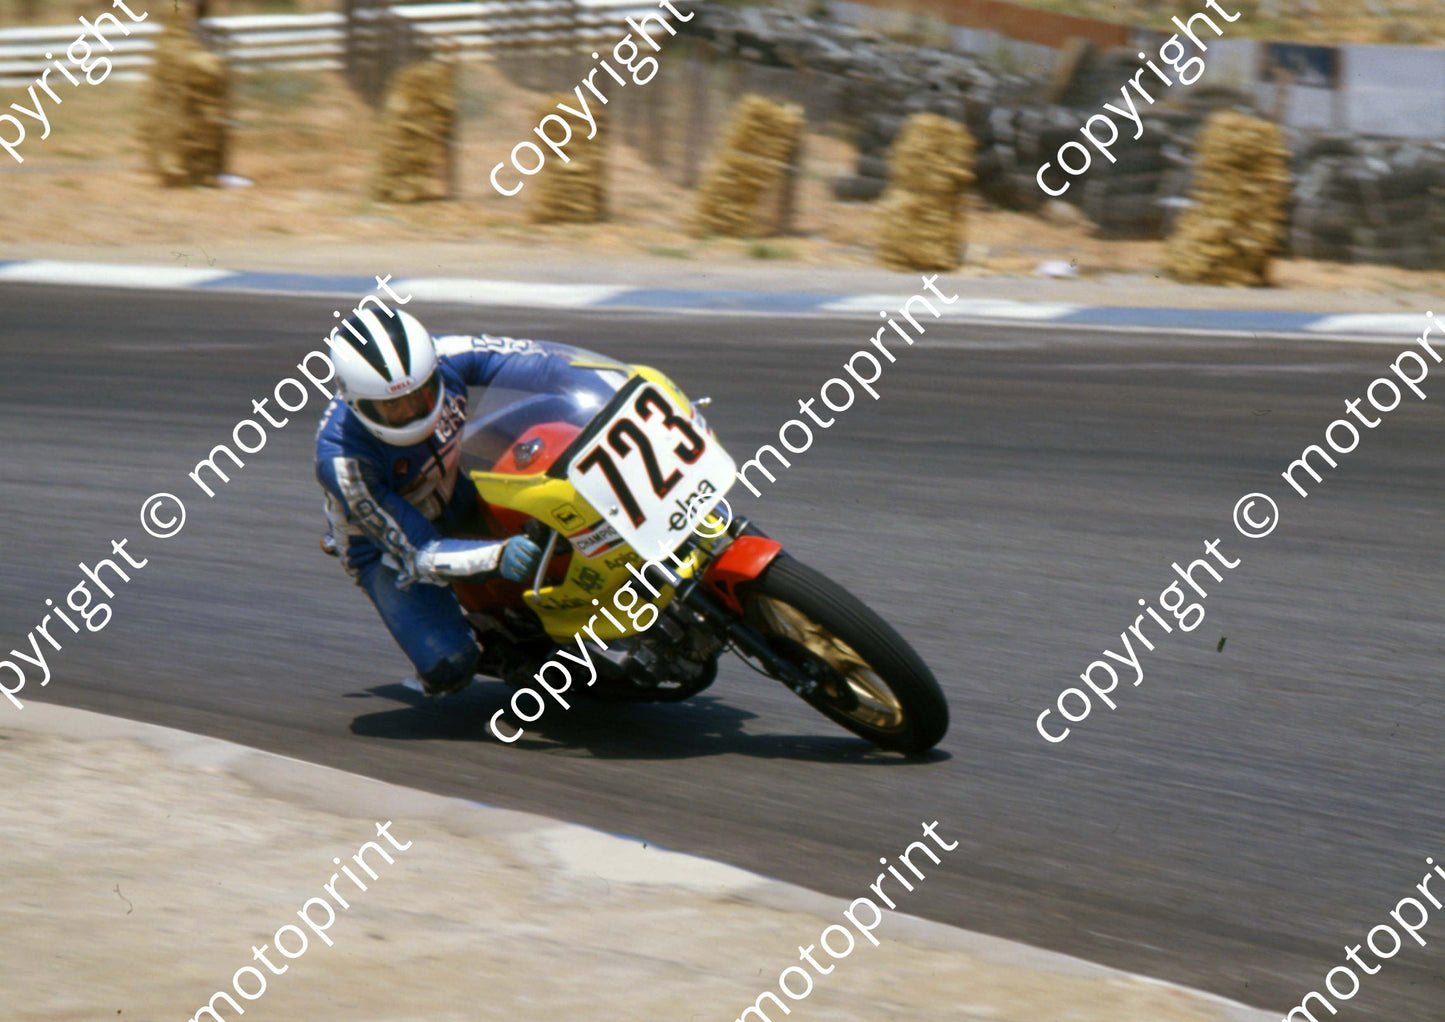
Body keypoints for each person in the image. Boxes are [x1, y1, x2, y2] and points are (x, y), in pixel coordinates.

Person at [315, 307, 549, 698]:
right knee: (450, 667)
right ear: (358, 403)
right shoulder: (341, 458)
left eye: (419, 394)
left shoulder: (445, 355)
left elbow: (538, 362)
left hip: (456, 485)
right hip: (385, 544)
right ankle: (487, 640)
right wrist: (496, 557)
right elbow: (418, 552)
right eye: (392, 406)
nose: (410, 411)